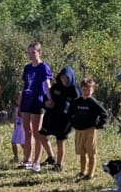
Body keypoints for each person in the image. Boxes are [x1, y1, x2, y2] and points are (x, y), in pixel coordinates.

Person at [17, 43, 53, 172]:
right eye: (29, 52)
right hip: (26, 100)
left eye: (34, 52)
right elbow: (24, 86)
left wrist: (50, 98)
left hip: (38, 101)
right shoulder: (27, 68)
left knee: (37, 132)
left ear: (39, 52)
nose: (31, 55)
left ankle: (37, 161)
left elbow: (47, 84)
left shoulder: (43, 67)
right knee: (27, 131)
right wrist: (20, 105)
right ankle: (27, 159)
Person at [70, 77, 112, 180]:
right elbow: (70, 113)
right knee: (81, 152)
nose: (87, 92)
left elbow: (104, 114)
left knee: (91, 152)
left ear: (93, 90)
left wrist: (99, 125)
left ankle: (90, 173)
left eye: (89, 90)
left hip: (90, 131)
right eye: (84, 90)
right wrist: (73, 123)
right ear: (81, 89)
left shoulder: (93, 102)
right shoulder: (77, 101)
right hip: (79, 130)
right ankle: (82, 171)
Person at [40, 66, 78, 171]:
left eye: (67, 78)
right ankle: (51, 157)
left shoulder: (74, 91)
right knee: (41, 135)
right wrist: (46, 103)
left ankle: (59, 165)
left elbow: (77, 106)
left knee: (60, 141)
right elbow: (46, 99)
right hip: (51, 117)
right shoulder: (55, 87)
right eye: (63, 77)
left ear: (71, 78)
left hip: (64, 121)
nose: (65, 80)